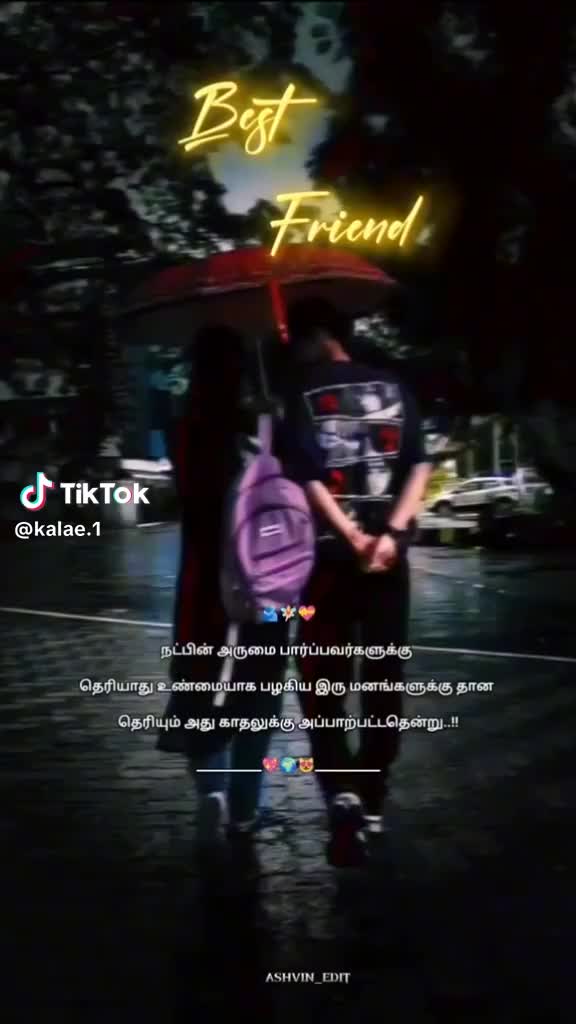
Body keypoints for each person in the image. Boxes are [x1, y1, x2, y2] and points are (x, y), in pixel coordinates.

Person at [280, 298, 432, 867]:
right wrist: (389, 535)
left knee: (322, 679)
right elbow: (419, 464)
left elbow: (307, 477)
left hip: (326, 561)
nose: (295, 351)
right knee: (383, 678)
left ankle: (340, 788)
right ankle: (372, 799)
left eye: (298, 340)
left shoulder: (300, 392)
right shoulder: (395, 387)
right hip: (388, 562)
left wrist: (349, 535)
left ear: (319, 335)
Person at [157, 325, 288, 845]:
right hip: (265, 584)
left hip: (202, 586)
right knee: (259, 693)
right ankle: (245, 808)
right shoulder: (261, 428)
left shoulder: (183, 429)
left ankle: (212, 791)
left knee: (200, 688)